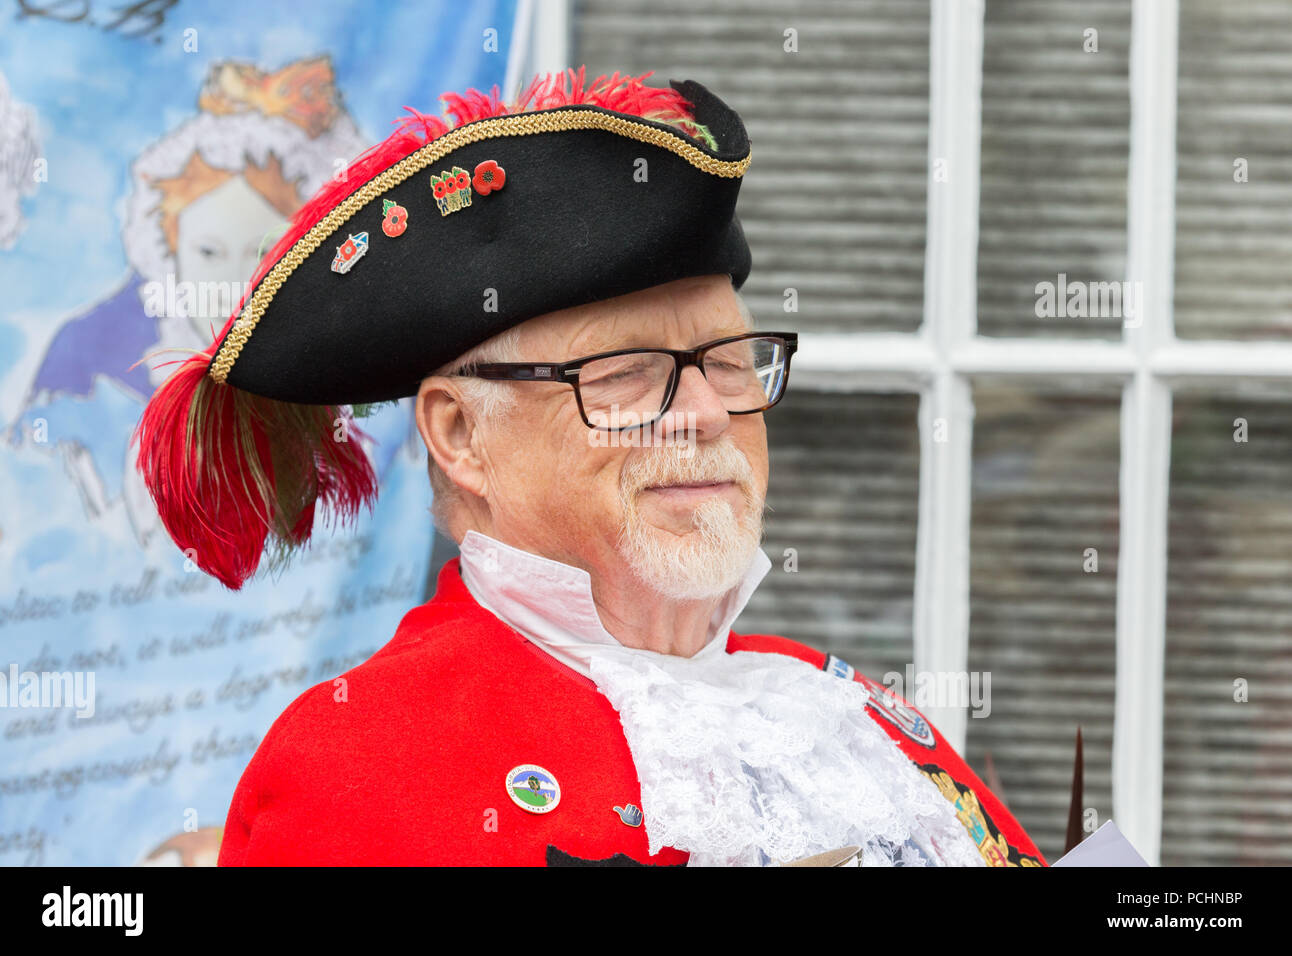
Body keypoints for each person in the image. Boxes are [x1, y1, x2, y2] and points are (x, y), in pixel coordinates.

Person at [134, 67, 1046, 866]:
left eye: (729, 362)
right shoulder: (361, 761)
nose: (701, 413)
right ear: (460, 435)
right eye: (626, 374)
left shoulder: (850, 716)